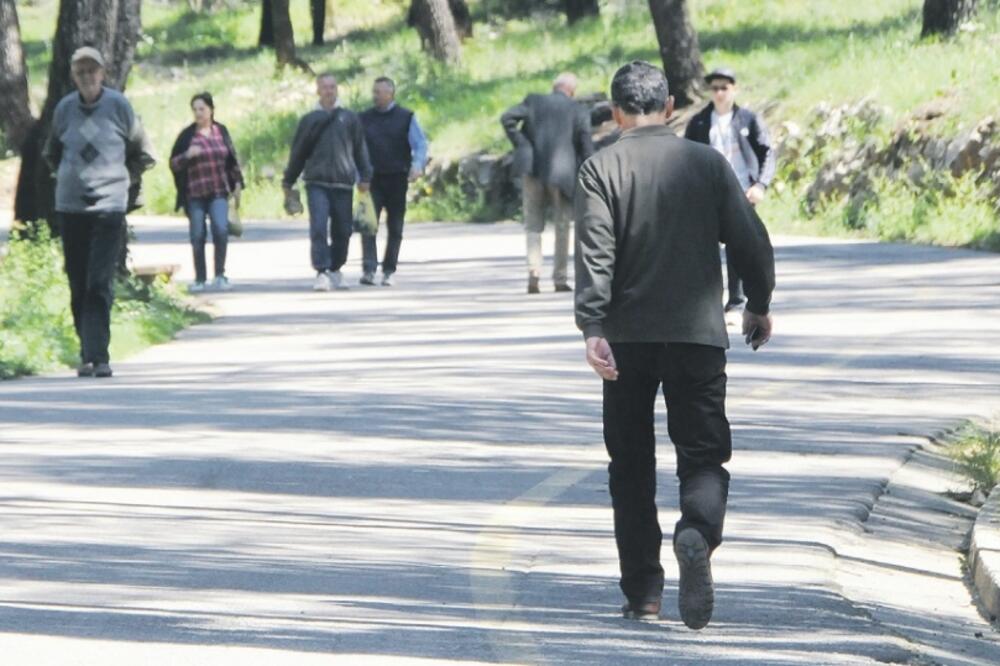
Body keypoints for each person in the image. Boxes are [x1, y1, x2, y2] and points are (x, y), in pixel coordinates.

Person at [574, 61, 775, 629]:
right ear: (668, 108)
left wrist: (593, 328)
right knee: (704, 454)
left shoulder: (600, 168)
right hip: (697, 337)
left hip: (627, 340)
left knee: (631, 464)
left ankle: (643, 592)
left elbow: (595, 254)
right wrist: (758, 303)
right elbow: (750, 241)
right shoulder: (707, 164)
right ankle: (697, 531)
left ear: (615, 113)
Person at [43, 46, 155, 379]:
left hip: (109, 207)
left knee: (98, 281)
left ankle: (99, 356)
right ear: (74, 76)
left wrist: (122, 180)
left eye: (92, 71)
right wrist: (68, 177)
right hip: (71, 207)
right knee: (77, 281)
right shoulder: (64, 109)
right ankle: (86, 352)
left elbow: (144, 154)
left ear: (103, 74)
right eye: (81, 72)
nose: (87, 77)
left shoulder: (119, 106)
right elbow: (52, 152)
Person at [684, 67, 775, 312]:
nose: (720, 93)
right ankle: (708, 302)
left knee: (740, 247)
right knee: (705, 249)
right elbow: (687, 156)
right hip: (708, 194)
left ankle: (737, 301)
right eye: (715, 88)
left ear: (734, 89)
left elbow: (767, 152)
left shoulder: (749, 119)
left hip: (743, 191)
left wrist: (761, 184)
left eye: (724, 88)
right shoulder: (700, 122)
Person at [501, 72, 593, 294]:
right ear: (572, 90)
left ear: (554, 87)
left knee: (533, 224)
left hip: (532, 170)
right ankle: (559, 278)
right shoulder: (578, 110)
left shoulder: (534, 100)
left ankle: (534, 272)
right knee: (562, 227)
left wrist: (522, 144)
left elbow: (507, 118)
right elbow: (585, 145)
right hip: (563, 175)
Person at [283, 73, 373, 291]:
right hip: (317, 182)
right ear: (318, 90)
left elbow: (360, 149)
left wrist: (365, 176)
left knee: (343, 229)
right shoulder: (309, 119)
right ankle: (322, 271)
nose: (329, 91)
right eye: (324, 87)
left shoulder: (349, 118)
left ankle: (336, 267)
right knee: (319, 227)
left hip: (343, 182)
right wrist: (288, 180)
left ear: (337, 89)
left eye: (332, 86)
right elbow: (299, 152)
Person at [169, 92, 245, 293]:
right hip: (195, 194)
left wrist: (237, 184)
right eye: (195, 109)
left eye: (202, 108)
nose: (198, 113)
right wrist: (187, 155)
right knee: (197, 234)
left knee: (220, 229)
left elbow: (231, 159)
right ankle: (200, 278)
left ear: (211, 109)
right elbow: (174, 163)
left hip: (218, 191)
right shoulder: (187, 136)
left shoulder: (221, 131)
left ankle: (220, 274)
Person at [358, 77, 429, 287]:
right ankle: (369, 269)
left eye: (379, 92)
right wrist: (358, 175)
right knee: (368, 226)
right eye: (374, 92)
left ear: (391, 93)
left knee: (395, 227)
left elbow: (420, 144)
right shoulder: (363, 118)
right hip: (371, 179)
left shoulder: (406, 117)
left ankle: (389, 270)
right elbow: (356, 148)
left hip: (397, 178)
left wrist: (417, 165)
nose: (375, 96)